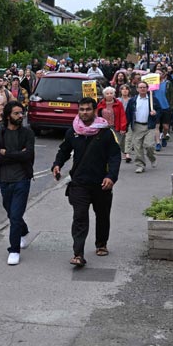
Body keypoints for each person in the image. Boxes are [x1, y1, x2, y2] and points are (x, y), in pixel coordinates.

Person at [52, 97, 121, 267]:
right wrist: (57, 164)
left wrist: (111, 176)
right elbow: (64, 150)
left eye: (88, 109)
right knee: (80, 217)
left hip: (101, 183)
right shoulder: (73, 131)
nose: (84, 112)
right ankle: (78, 254)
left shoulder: (105, 132)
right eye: (81, 109)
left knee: (102, 215)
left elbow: (114, 156)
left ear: (95, 110)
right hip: (79, 183)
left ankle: (101, 243)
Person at [0, 101, 35, 265]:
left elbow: (28, 155)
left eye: (21, 113)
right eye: (16, 113)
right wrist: (17, 154)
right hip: (4, 180)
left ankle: (14, 250)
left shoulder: (27, 133)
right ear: (8, 115)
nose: (20, 116)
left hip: (22, 179)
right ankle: (23, 231)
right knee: (11, 213)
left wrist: (7, 153)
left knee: (15, 216)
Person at [125, 82, 164, 174]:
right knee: (137, 147)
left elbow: (160, 110)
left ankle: (152, 158)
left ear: (147, 89)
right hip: (137, 126)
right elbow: (128, 114)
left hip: (149, 125)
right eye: (140, 87)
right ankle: (140, 165)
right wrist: (126, 126)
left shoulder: (152, 100)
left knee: (149, 145)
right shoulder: (133, 101)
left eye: (144, 87)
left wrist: (155, 113)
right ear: (137, 89)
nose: (142, 89)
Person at [96, 87, 127, 159]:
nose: (109, 95)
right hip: (104, 127)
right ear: (104, 95)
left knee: (117, 143)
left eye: (111, 93)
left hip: (115, 127)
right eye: (107, 94)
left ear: (114, 94)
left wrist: (123, 128)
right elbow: (97, 115)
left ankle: (118, 155)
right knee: (105, 143)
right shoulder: (100, 104)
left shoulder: (118, 103)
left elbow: (122, 116)